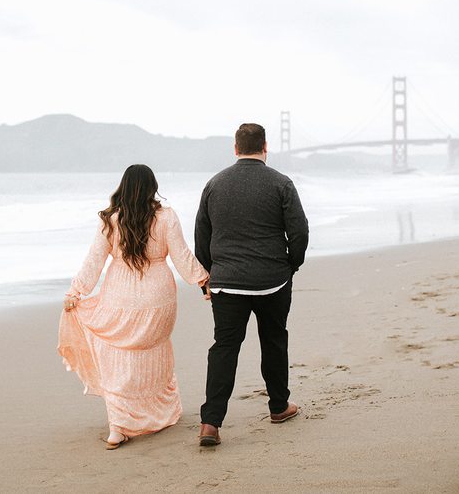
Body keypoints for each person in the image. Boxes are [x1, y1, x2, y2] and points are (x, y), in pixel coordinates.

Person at [58, 164, 210, 450]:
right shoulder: (166, 216)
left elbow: (94, 261)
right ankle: (158, 414)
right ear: (153, 187)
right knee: (153, 351)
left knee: (118, 358)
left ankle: (118, 427)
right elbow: (182, 256)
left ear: (123, 186)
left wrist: (76, 292)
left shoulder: (111, 219)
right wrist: (203, 280)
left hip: (120, 297)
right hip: (158, 299)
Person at [194, 123, 309, 447]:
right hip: (272, 280)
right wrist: (291, 265)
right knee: (273, 340)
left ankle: (210, 423)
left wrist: (211, 274)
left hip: (226, 282)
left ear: (235, 148)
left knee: (224, 347)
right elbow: (299, 232)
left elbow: (201, 235)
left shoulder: (214, 184)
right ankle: (279, 407)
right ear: (265, 147)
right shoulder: (281, 183)